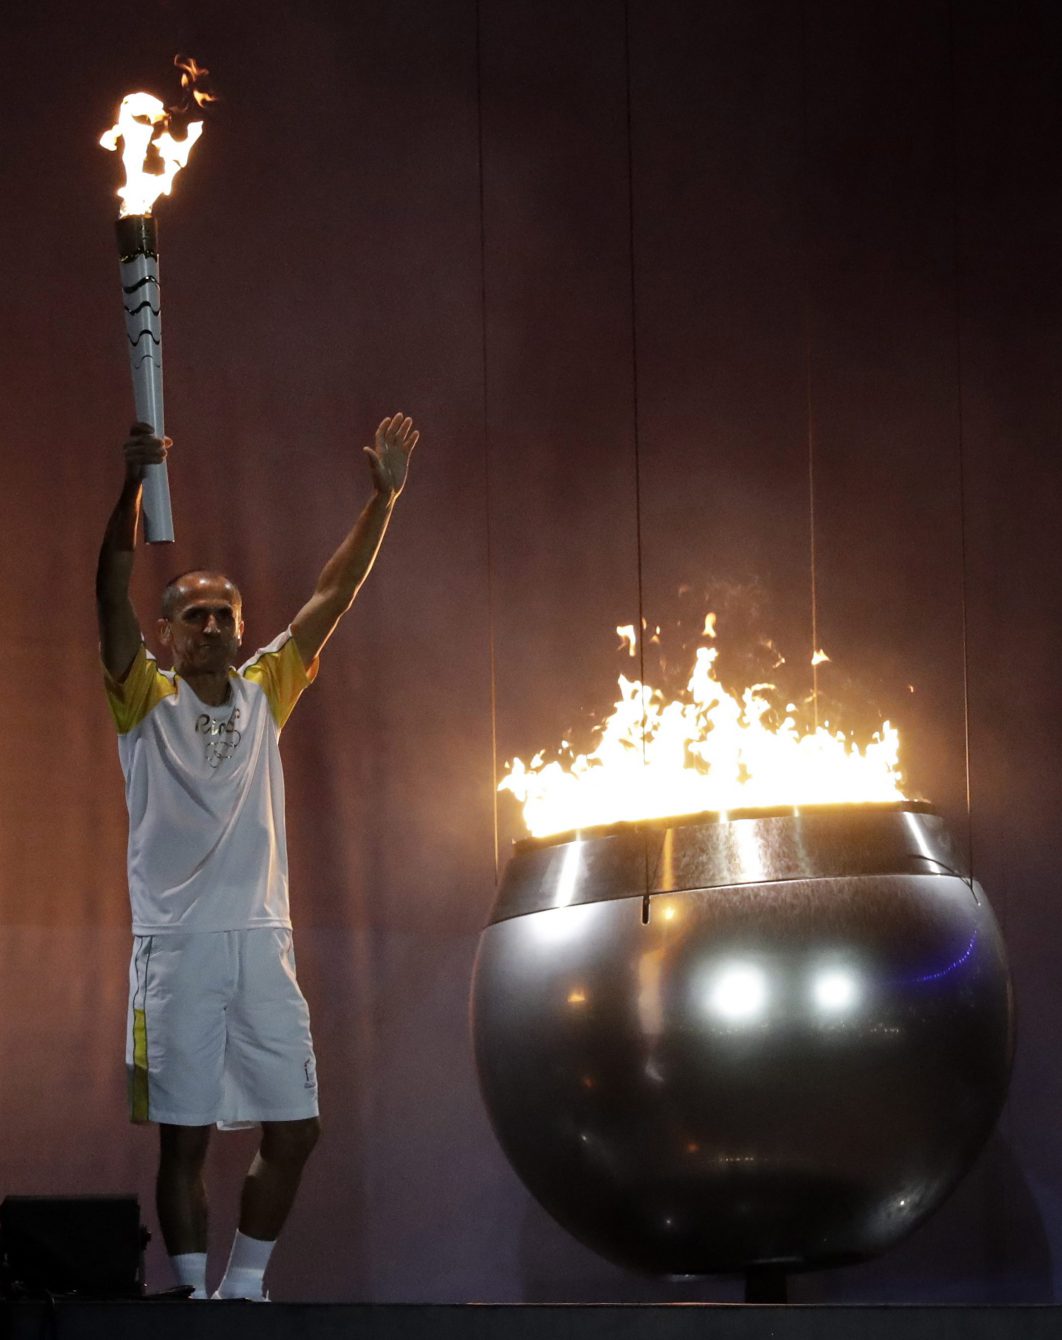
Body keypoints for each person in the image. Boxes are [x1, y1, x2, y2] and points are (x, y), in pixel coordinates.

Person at [96, 411, 419, 1300]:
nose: (210, 625)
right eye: (192, 614)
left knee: (296, 1130)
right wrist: (131, 485)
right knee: (186, 1138)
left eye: (223, 614)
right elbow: (112, 583)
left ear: (241, 628)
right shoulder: (142, 701)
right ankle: (197, 1298)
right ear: (166, 633)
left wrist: (382, 499)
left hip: (261, 944)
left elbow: (334, 594)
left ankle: (245, 1290)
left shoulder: (268, 687)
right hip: (177, 948)